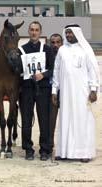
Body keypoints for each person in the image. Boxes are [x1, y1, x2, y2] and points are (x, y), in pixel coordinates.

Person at [52, 24, 100, 163]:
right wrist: (54, 91)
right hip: (66, 93)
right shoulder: (62, 50)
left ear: (77, 34)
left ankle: (84, 152)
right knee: (65, 119)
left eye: (70, 33)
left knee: (82, 120)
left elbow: (93, 71)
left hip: (82, 93)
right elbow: (56, 71)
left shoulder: (85, 50)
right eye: (66, 33)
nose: (68, 35)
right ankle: (64, 152)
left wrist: (93, 89)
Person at [18, 21, 54, 161]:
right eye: (32, 30)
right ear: (28, 31)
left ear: (40, 32)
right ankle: (28, 149)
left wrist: (42, 75)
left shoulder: (47, 49)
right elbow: (18, 70)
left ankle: (44, 149)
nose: (34, 32)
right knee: (26, 120)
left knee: (44, 120)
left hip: (43, 89)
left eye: (36, 30)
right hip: (26, 89)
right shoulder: (21, 49)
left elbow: (52, 69)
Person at [49, 33, 63, 155]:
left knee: (67, 120)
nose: (55, 45)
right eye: (52, 42)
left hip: (66, 93)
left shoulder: (67, 56)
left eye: (58, 42)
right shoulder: (46, 56)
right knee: (51, 121)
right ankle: (50, 146)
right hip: (51, 93)